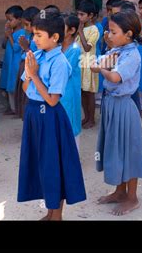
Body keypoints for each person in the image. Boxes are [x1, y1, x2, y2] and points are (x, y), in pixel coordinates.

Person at [18, 12, 86, 221]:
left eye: (38, 35)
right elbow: (24, 86)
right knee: (40, 163)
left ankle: (57, 216)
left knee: (53, 165)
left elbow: (52, 100)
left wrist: (35, 74)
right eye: (33, 34)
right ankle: (50, 212)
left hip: (50, 117)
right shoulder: (35, 56)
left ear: (54, 37)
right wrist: (30, 74)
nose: (34, 39)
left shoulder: (60, 62)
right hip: (33, 114)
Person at [92, 10, 142, 216]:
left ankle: (132, 197)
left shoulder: (132, 55)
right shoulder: (116, 50)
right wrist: (103, 66)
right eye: (108, 31)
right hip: (111, 104)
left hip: (124, 107)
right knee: (115, 148)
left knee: (129, 151)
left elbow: (114, 77)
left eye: (113, 32)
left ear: (129, 34)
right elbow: (93, 65)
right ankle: (119, 191)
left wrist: (104, 69)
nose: (109, 35)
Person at [76, 0, 100, 129]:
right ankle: (86, 117)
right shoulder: (82, 28)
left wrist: (80, 32)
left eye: (82, 15)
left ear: (90, 16)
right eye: (78, 14)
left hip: (89, 64)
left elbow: (87, 48)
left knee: (89, 93)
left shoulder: (94, 30)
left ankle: (92, 119)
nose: (79, 17)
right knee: (82, 92)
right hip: (80, 64)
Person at [60, 14, 82, 147]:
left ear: (71, 31)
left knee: (71, 122)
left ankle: (74, 156)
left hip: (69, 93)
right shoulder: (58, 47)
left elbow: (63, 71)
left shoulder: (74, 50)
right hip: (59, 93)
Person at [0, 5, 24, 114]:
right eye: (7, 20)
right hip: (9, 62)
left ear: (19, 20)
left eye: (10, 20)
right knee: (8, 84)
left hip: (16, 63)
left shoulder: (22, 33)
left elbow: (16, 48)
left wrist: (9, 36)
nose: (8, 22)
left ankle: (17, 109)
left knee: (15, 85)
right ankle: (12, 108)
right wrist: (6, 35)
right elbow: (3, 45)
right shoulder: (11, 32)